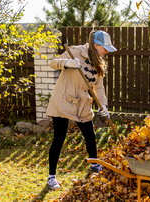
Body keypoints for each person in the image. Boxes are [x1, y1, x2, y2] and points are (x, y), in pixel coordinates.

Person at [45, 30, 117, 189]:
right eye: (104, 48)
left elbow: (99, 87)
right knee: (59, 138)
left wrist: (103, 105)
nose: (106, 52)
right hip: (64, 100)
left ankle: (94, 165)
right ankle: (51, 177)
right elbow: (53, 63)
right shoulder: (75, 51)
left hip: (83, 103)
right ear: (96, 45)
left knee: (90, 136)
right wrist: (67, 63)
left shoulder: (99, 62)